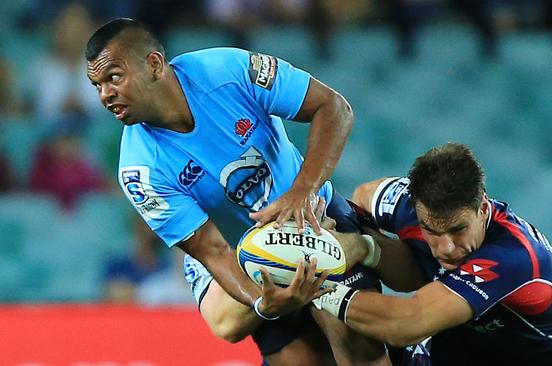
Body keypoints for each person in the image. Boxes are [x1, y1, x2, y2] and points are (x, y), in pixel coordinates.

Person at [85, 18, 388, 365]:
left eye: (114, 78)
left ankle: (364, 249)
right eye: (97, 85)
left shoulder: (227, 70)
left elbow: (334, 108)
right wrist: (262, 302)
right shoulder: (139, 171)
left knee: (358, 345)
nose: (105, 94)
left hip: (313, 217)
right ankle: (358, 252)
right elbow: (212, 251)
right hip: (247, 258)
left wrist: (303, 190)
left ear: (153, 64)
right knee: (285, 354)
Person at [305, 143, 552, 365]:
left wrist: (318, 289)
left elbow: (406, 325)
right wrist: (365, 245)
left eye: (458, 230)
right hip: (467, 347)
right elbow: (365, 194)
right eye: (432, 232)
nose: (446, 246)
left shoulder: (514, 257)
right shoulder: (411, 206)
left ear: (483, 209)